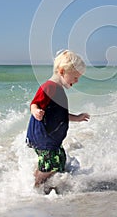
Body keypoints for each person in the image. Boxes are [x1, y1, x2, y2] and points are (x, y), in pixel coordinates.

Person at [26, 50, 90, 192]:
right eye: (75, 77)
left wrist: (77, 118)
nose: (77, 81)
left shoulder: (58, 89)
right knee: (51, 164)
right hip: (44, 138)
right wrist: (36, 111)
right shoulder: (49, 87)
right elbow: (34, 103)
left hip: (52, 140)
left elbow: (60, 115)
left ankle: (51, 187)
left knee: (60, 160)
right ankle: (37, 190)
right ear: (62, 71)